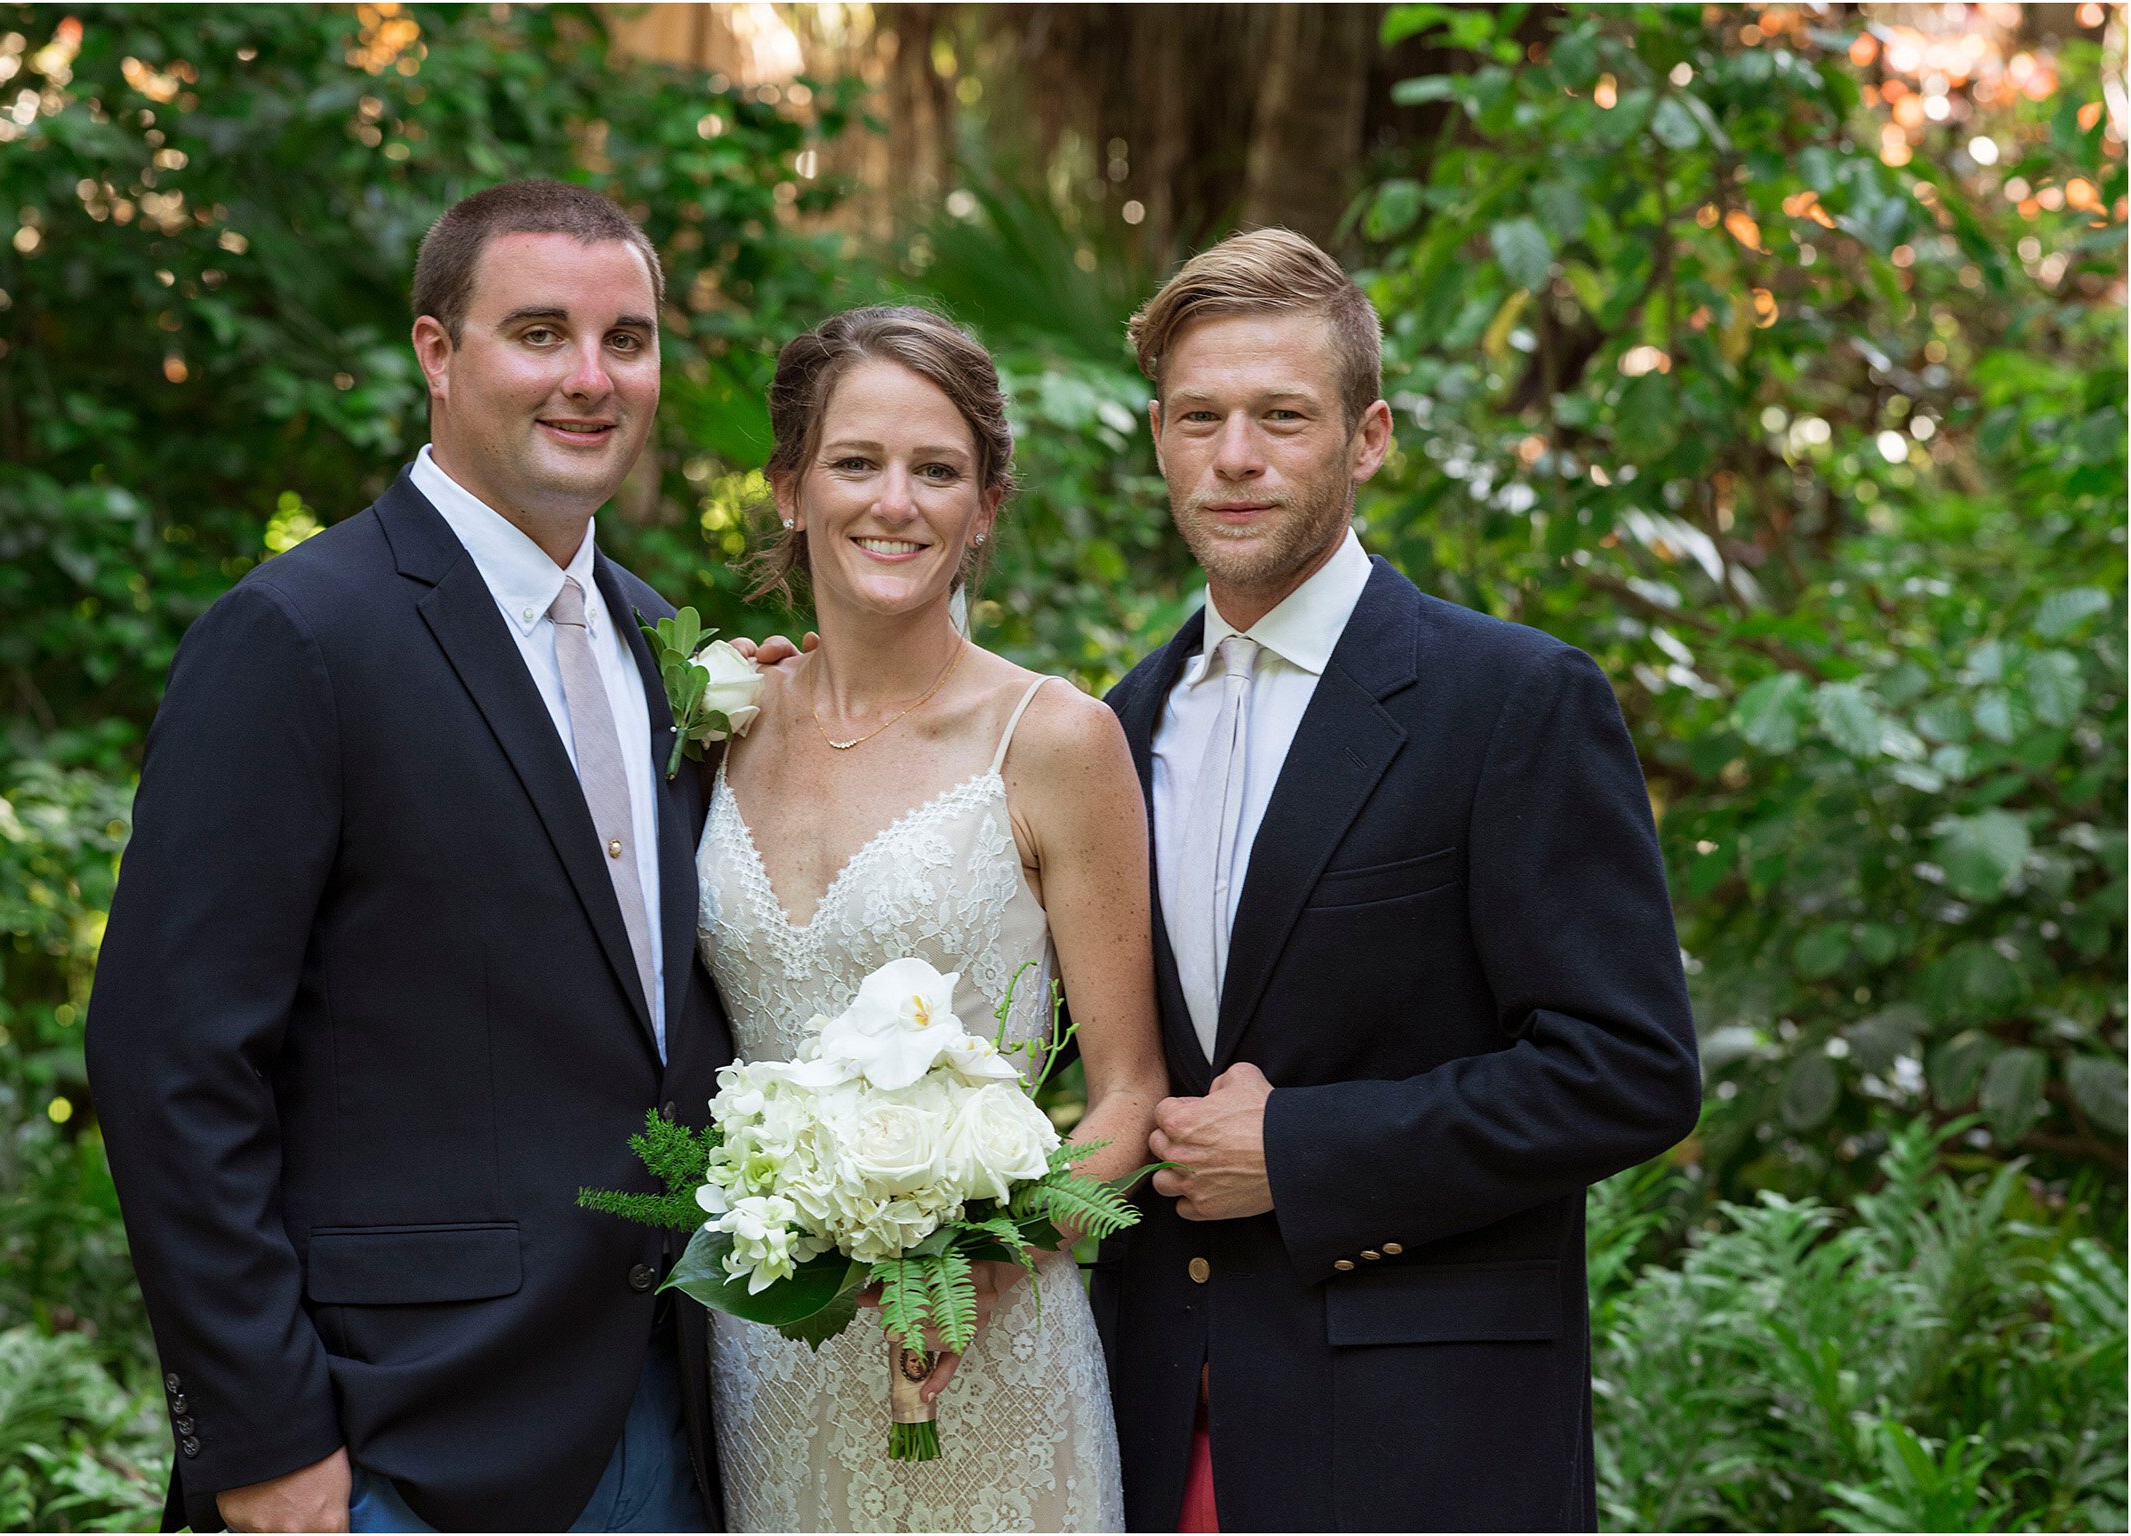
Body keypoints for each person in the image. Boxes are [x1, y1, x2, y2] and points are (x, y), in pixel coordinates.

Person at [86, 180, 784, 1532]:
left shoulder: (664, 647)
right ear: (437, 352)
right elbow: (169, 1059)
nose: (591, 379)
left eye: (627, 341)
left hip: (668, 1409)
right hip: (393, 1435)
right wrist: (263, 1436)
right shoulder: (298, 636)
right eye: (540, 333)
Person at [1089, 229, 1703, 1532]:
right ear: (1157, 439)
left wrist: (1300, 1151)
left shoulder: (1513, 701)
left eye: (1281, 417)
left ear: (1366, 438)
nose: (1235, 457)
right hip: (1152, 1422)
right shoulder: (1114, 727)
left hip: (1423, 1443)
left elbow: (1629, 1070)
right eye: (1199, 418)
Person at [693, 305, 1166, 1531]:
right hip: (766, 1356)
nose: (893, 503)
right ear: (789, 489)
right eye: (855, 462)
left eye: (937, 471)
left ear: (985, 507)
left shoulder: (1054, 741)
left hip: (987, 1357)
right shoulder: (719, 724)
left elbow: (1128, 1094)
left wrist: (982, 1267)